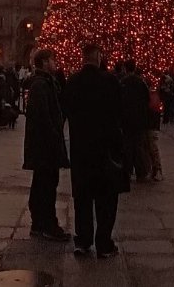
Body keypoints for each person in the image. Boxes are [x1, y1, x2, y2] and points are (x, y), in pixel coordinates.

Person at [63, 43, 124, 258]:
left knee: (82, 197)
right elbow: (119, 112)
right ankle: (104, 243)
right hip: (105, 148)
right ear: (97, 57)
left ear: (82, 57)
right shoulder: (110, 81)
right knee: (106, 198)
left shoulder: (72, 82)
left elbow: (67, 111)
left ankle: (83, 241)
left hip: (80, 149)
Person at [22, 48, 70, 241]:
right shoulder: (41, 85)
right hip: (45, 145)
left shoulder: (44, 83)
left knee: (44, 183)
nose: (55, 63)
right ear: (43, 63)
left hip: (43, 144)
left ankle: (40, 223)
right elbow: (42, 116)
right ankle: (46, 224)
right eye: (52, 60)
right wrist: (53, 136)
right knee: (46, 184)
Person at [120, 60, 151, 182]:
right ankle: (141, 172)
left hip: (126, 120)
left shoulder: (123, 82)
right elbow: (147, 99)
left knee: (127, 146)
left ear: (125, 68)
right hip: (139, 119)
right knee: (138, 146)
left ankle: (127, 171)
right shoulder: (140, 82)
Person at [145, 79, 164, 181]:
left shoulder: (150, 95)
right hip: (151, 124)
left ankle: (157, 170)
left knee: (152, 148)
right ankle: (154, 170)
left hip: (149, 124)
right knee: (151, 148)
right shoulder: (154, 95)